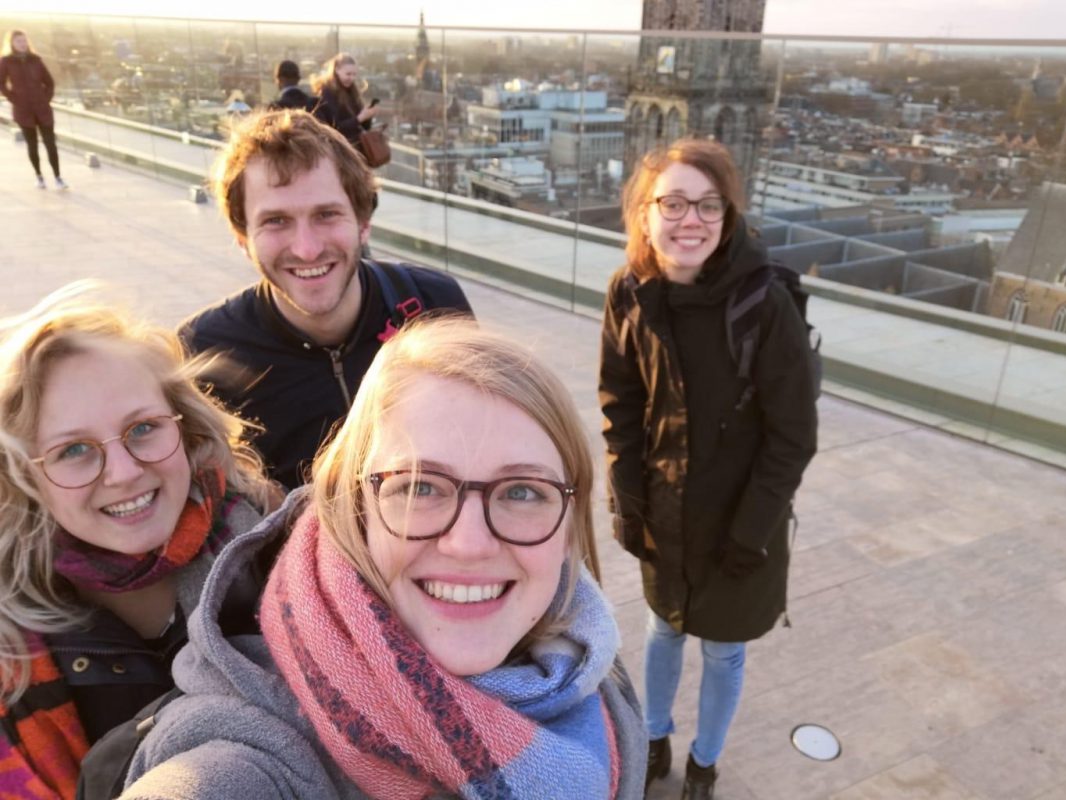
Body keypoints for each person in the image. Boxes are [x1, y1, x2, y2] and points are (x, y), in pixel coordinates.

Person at [121, 318, 646, 799]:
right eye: (419, 486)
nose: (469, 544)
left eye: (523, 492)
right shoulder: (241, 757)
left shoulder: (584, 650)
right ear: (354, 506)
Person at [599, 138, 817, 799]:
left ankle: (704, 764)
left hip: (741, 518)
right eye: (673, 202)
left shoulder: (763, 305)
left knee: (724, 649)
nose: (689, 220)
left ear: (727, 216)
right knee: (663, 627)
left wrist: (750, 532)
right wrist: (627, 498)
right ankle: (656, 738)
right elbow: (621, 403)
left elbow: (792, 436)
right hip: (665, 507)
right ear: (643, 212)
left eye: (708, 205)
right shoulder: (630, 291)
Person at [0, 283, 277, 799]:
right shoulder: (11, 646)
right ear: (24, 477)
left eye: (144, 428)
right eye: (74, 449)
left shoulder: (283, 551)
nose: (125, 472)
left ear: (187, 428)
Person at [179, 110, 472, 490]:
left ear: (363, 223)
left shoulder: (434, 305)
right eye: (276, 221)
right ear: (242, 237)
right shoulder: (204, 352)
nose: (307, 249)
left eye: (327, 214)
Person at [0, 29, 67, 190]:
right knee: (32, 145)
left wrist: (46, 98)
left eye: (24, 41)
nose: (22, 44)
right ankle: (39, 176)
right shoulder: (6, 61)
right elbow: (1, 84)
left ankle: (58, 177)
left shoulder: (36, 60)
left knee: (51, 144)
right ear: (12, 44)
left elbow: (49, 82)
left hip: (43, 109)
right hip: (23, 111)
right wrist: (14, 99)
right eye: (18, 41)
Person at [310, 52, 380, 157]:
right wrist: (360, 118)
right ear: (337, 70)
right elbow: (334, 128)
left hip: (355, 151)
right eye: (348, 74)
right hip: (339, 152)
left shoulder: (352, 91)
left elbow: (364, 127)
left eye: (354, 74)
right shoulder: (327, 93)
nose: (351, 78)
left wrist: (368, 115)